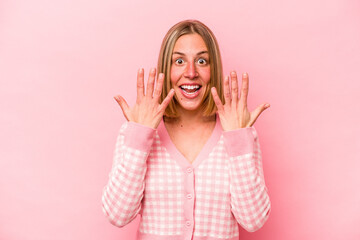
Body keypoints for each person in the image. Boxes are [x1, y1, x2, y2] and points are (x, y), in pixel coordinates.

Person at [101, 19, 271, 240]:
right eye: (179, 61)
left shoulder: (238, 133)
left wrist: (238, 138)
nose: (191, 72)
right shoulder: (135, 132)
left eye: (202, 60)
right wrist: (140, 135)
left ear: (214, 70)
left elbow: (253, 220)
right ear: (166, 68)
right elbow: (117, 215)